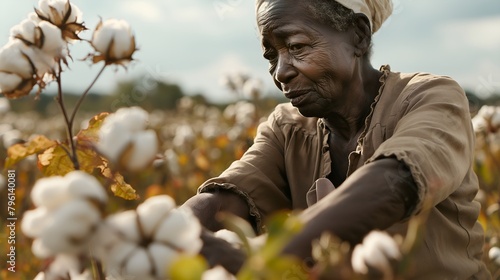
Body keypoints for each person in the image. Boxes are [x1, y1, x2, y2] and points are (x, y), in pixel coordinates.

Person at [183, 0, 491, 278]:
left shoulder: (430, 96)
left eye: (296, 47)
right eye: (271, 56)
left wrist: (270, 255)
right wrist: (162, 230)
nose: (280, 72)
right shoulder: (286, 126)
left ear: (358, 35)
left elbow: (396, 182)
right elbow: (228, 198)